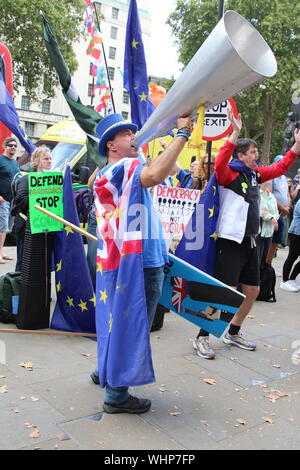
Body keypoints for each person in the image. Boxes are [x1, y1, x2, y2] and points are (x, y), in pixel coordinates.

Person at [93, 112, 193, 414]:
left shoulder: (110, 171)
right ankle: (117, 394)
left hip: (126, 262)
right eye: (128, 134)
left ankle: (106, 370)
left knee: (115, 320)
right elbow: (155, 175)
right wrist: (182, 135)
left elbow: (157, 170)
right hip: (140, 264)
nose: (135, 137)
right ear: (112, 144)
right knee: (133, 325)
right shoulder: (126, 166)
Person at [192, 110, 300, 360]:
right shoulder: (229, 172)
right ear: (240, 154)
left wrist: (296, 145)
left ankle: (234, 331)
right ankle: (202, 337)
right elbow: (219, 162)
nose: (256, 155)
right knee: (226, 291)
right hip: (230, 242)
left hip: (251, 242)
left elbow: (280, 166)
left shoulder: (255, 175)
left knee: (251, 291)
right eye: (252, 152)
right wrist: (235, 133)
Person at [11, 147, 52, 272]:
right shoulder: (26, 179)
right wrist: (40, 194)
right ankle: (18, 289)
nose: (49, 161)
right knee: (24, 263)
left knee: (41, 265)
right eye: (46, 159)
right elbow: (20, 201)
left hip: (46, 227)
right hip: (26, 227)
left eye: (50, 158)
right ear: (36, 161)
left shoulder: (53, 180)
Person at [266, 156, 291, 270]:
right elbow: (270, 195)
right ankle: (264, 264)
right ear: (274, 163)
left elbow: (287, 195)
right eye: (279, 162)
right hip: (273, 214)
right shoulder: (272, 176)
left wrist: (287, 207)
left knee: (276, 241)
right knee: (269, 240)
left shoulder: (284, 178)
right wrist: (282, 208)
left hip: (282, 214)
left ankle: (268, 265)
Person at [0, 137, 20, 264]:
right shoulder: (0, 160)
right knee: (2, 227)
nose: (13, 147)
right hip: (3, 200)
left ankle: (1, 252)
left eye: (14, 145)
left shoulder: (15, 163)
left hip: (13, 201)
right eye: (10, 145)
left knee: (6, 228)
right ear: (4, 146)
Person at [256, 181, 279, 269]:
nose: (270, 179)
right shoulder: (257, 193)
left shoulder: (272, 196)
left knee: (263, 259)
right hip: (259, 231)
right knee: (256, 259)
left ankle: (261, 279)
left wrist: (273, 217)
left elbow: (276, 212)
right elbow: (259, 211)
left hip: (269, 231)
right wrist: (270, 217)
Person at [280, 197, 300, 292]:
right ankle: (284, 281)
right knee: (292, 257)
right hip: (296, 233)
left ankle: (291, 279)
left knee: (293, 257)